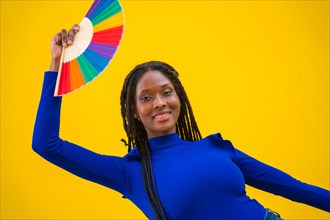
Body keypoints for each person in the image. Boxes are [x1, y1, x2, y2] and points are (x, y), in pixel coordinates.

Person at [32, 24, 330, 220]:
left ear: (179, 98)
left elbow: (292, 187)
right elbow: (46, 145)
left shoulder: (217, 148)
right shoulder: (130, 172)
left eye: (166, 92)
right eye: (146, 98)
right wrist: (56, 64)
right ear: (134, 111)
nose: (160, 102)